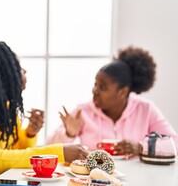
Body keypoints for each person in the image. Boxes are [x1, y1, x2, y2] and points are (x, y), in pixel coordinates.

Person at [0, 39, 88, 182]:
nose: (24, 71)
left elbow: (13, 152)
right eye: (18, 67)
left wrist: (30, 133)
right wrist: (59, 152)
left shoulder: (3, 108)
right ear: (1, 76)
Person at [46, 46, 178, 156]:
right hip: (95, 181)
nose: (95, 91)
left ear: (122, 92)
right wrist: (69, 133)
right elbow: (49, 148)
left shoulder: (146, 110)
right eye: (95, 84)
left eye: (102, 87)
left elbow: (174, 144)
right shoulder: (83, 111)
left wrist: (140, 147)